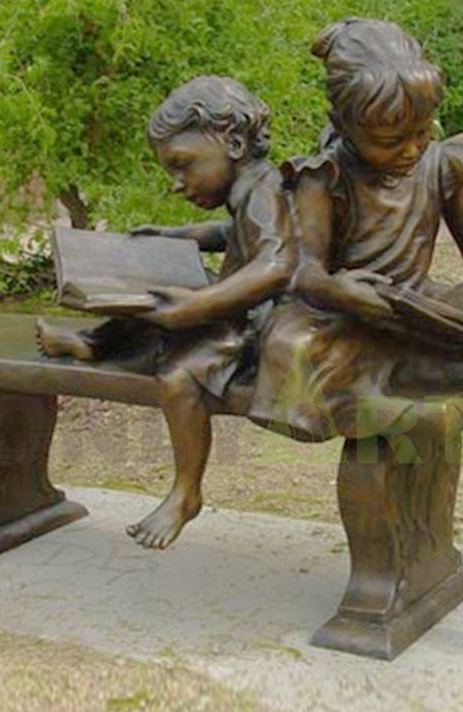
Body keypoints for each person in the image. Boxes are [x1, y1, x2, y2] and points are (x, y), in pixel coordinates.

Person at [249, 18, 463, 593]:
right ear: (342, 123)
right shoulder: (324, 176)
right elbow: (305, 271)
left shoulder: (441, 164)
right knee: (295, 352)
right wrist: (346, 292)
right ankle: (389, 555)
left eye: (420, 132)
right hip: (350, 318)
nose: (411, 149)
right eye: (390, 140)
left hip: (416, 313)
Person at [38, 76, 295, 549]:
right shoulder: (249, 191)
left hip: (255, 321)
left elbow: (277, 264)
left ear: (234, 143)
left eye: (183, 165)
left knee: (180, 377)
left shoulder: (267, 189)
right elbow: (232, 231)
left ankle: (186, 491)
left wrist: (200, 304)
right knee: (150, 295)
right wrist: (180, 235)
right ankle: (92, 342)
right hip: (230, 306)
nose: (177, 183)